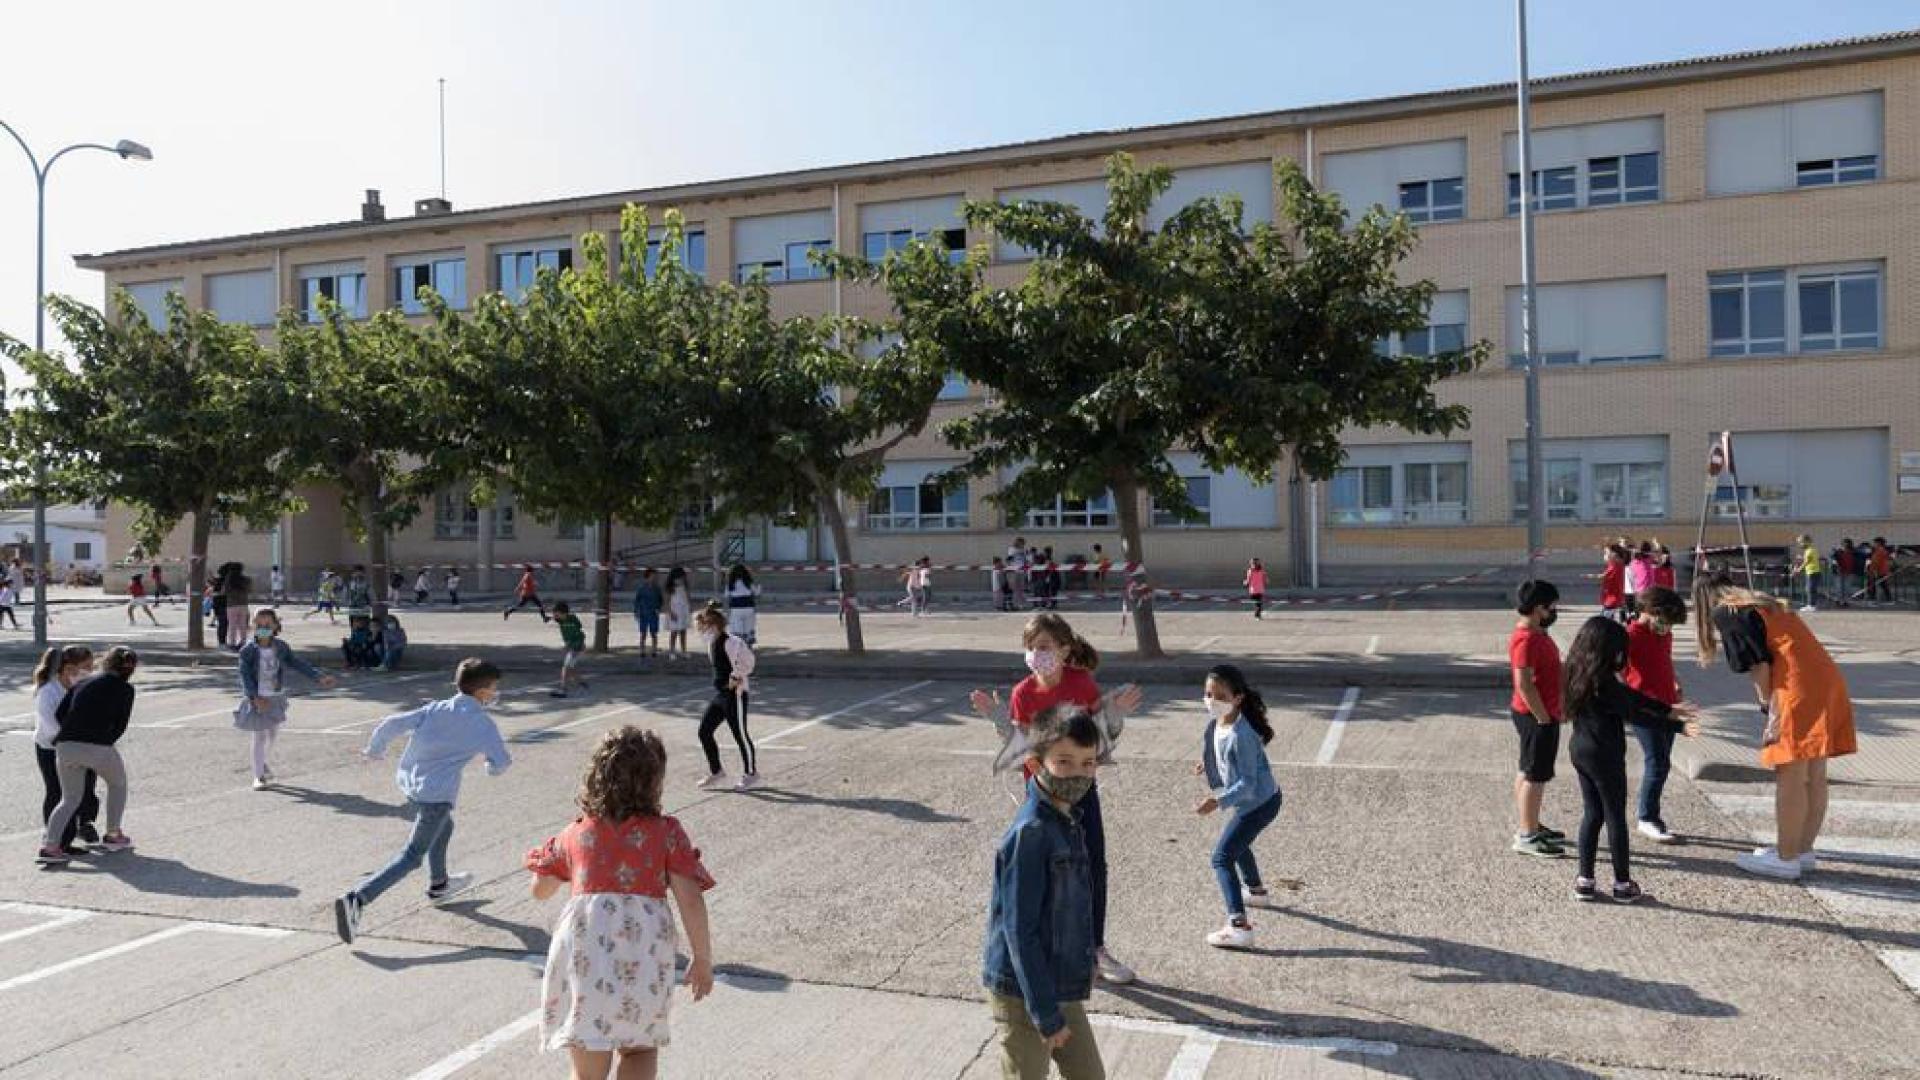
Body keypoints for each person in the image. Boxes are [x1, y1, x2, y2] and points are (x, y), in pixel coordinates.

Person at [526, 727, 716, 1076]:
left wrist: (559, 867)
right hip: (644, 954)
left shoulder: (576, 833)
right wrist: (701, 957)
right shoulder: (666, 832)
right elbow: (690, 899)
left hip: (586, 956)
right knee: (639, 1049)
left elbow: (540, 889)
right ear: (654, 782)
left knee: (588, 1065)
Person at [972, 612, 1142, 986]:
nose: (1036, 654)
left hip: (1082, 790)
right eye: (1031, 648)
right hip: (1043, 795)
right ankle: (1053, 950)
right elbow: (1022, 744)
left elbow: (1097, 737)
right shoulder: (1023, 693)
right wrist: (1002, 722)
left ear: (1065, 650)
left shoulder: (1081, 683)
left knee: (1092, 866)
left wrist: (1114, 717)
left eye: (1044, 647)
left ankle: (1095, 949)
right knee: (1048, 871)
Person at [1694, 571, 1857, 881]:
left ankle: (1786, 858)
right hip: (1826, 681)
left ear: (1702, 598)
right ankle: (1801, 850)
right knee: (1814, 775)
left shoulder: (1728, 611)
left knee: (1790, 775)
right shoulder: (1765, 604)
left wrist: (1767, 705)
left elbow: (1759, 666)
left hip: (1795, 689)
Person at [335, 658, 513, 943]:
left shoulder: (435, 708)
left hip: (411, 785)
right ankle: (357, 899)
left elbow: (392, 723)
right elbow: (500, 762)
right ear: (482, 692)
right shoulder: (483, 724)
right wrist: (490, 767)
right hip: (437, 796)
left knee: (445, 826)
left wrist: (375, 749)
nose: (495, 693)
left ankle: (439, 884)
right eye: (493, 688)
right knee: (412, 856)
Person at [982, 705, 1106, 1079]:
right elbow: (1020, 931)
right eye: (1064, 762)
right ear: (1035, 764)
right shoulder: (1031, 834)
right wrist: (1046, 1015)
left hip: (1057, 981)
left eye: (1088, 763)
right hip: (1023, 991)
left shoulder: (1069, 819)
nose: (1078, 773)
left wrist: (1086, 958)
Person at [1564, 616, 1700, 903]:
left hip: (1580, 750)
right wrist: (1676, 726)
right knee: (1615, 816)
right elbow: (1634, 714)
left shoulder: (1577, 672)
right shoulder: (1605, 683)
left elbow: (1630, 697)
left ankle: (1584, 880)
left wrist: (1667, 709)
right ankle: (1622, 884)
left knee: (1592, 814)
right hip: (1605, 755)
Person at [1194, 663, 1283, 948]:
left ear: (1238, 698)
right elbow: (1222, 754)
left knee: (1221, 858)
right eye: (1209, 694)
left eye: (1220, 696)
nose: (1212, 701)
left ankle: (1239, 926)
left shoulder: (1241, 734)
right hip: (1251, 802)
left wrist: (1217, 802)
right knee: (1238, 845)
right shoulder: (1220, 722)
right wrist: (1207, 764)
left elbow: (1248, 783)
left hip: (1260, 803)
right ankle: (1255, 892)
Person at [37, 646, 140, 866]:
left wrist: (72, 731)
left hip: (65, 745)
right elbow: (120, 725)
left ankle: (50, 846)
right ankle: (113, 834)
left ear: (107, 661)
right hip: (97, 745)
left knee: (69, 798)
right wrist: (104, 741)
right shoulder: (126, 689)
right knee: (118, 784)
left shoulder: (84, 682)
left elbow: (61, 713)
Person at [236, 609, 338, 790]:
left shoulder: (281, 647)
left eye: (267, 625)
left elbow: (297, 663)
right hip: (258, 697)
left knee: (272, 734)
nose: (263, 628)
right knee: (259, 736)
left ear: (275, 626)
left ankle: (262, 762)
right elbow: (245, 676)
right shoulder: (247, 651)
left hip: (275, 696)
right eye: (259, 625)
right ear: (253, 626)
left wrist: (319, 677)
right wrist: (254, 698)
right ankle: (258, 776)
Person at [1624, 587, 1688, 844]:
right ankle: (1647, 818)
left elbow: (1666, 660)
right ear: (1649, 611)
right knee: (1658, 762)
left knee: (1662, 761)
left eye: (1671, 624)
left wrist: (1675, 682)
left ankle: (1650, 815)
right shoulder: (1630, 636)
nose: (1667, 627)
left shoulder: (1664, 634)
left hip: (1668, 705)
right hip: (1644, 708)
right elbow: (1618, 670)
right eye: (1665, 620)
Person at [1509, 580, 1567, 858]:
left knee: (1528, 770)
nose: (1554, 611)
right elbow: (1524, 684)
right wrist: (1543, 718)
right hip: (1536, 716)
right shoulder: (1527, 639)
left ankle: (1529, 822)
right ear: (1537, 608)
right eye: (1551, 607)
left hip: (1541, 713)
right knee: (1535, 775)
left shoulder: (1537, 633)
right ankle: (1527, 835)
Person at [32, 645, 98, 853]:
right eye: (86, 667)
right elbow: (50, 725)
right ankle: (55, 839)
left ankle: (73, 832)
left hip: (76, 746)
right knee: (56, 792)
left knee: (78, 791)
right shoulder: (48, 691)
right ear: (68, 668)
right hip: (51, 748)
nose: (90, 671)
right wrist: (72, 739)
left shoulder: (79, 686)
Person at [693, 604, 758, 791]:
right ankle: (717, 771)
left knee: (740, 735)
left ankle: (751, 773)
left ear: (713, 625)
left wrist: (736, 676)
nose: (700, 631)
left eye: (703, 626)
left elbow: (748, 661)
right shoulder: (712, 644)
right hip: (721, 695)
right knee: (704, 731)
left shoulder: (731, 642)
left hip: (735, 695)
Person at [550, 601, 589, 698]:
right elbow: (553, 618)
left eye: (556, 613)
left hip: (577, 647)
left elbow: (580, 630)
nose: (555, 615)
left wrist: (573, 644)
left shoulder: (572, 620)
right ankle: (582, 684)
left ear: (563, 613)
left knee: (566, 667)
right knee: (571, 669)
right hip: (572, 647)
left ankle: (563, 690)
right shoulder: (560, 620)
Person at [632, 567, 664, 658]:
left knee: (654, 633)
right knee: (643, 633)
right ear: (647, 577)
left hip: (653, 613)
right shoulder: (642, 588)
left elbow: (660, 600)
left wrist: (658, 608)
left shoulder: (657, 589)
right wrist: (636, 612)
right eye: (652, 576)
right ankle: (642, 650)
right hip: (644, 613)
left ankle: (654, 650)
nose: (654, 578)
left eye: (655, 576)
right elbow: (637, 600)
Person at [726, 563, 759, 645]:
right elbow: (756, 593)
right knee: (749, 628)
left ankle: (738, 646)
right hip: (749, 607)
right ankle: (749, 642)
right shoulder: (748, 583)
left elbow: (726, 595)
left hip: (736, 608)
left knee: (737, 630)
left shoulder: (730, 584)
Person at [664, 566, 692, 661]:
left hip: (683, 612)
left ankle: (683, 651)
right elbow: (667, 602)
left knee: (683, 631)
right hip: (674, 612)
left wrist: (689, 608)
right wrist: (670, 613)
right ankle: (672, 651)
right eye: (679, 578)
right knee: (674, 632)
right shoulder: (670, 589)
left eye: (682, 578)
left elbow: (687, 598)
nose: (681, 580)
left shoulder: (684, 587)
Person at [1599, 541, 1630, 622]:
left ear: (1615, 555)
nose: (1605, 556)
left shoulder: (1615, 566)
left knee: (1603, 621)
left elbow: (1603, 577)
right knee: (1609, 620)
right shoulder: (1615, 565)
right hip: (1611, 599)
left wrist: (1589, 576)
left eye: (1606, 553)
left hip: (1612, 600)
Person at [1791, 535, 1822, 613]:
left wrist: (1798, 570)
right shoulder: (1810, 550)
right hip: (1812, 572)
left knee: (1810, 589)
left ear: (1807, 542)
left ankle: (1811, 606)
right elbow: (1808, 560)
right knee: (1810, 589)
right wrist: (1801, 558)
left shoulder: (1809, 551)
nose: (1800, 545)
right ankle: (1811, 605)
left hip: (1812, 572)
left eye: (1800, 542)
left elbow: (1807, 561)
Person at [1867, 538, 1894, 603]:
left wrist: (1874, 570)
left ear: (1879, 543)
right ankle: (1886, 598)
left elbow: (1877, 562)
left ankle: (1874, 597)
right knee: (1880, 584)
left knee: (1879, 584)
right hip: (1879, 571)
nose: (1874, 544)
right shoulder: (1878, 550)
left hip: (1879, 571)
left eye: (1875, 543)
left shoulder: (1880, 551)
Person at [1833, 539, 1858, 606]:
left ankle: (1845, 601)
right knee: (1839, 587)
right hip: (1839, 572)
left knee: (1847, 588)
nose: (1845, 546)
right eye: (1844, 544)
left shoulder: (1854, 552)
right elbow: (1833, 560)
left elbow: (1857, 561)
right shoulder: (1838, 552)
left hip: (1849, 572)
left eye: (1846, 544)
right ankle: (1838, 600)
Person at [1007, 537, 1030, 610]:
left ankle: (1021, 604)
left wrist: (1027, 565)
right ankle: (1014, 604)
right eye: (1021, 543)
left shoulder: (1025, 550)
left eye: (1023, 543)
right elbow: (1009, 559)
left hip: (1022, 571)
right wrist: (1010, 567)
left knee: (1021, 588)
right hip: (1014, 571)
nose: (1022, 544)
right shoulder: (1011, 549)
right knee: (1014, 588)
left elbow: (1027, 560)